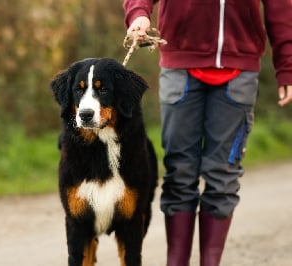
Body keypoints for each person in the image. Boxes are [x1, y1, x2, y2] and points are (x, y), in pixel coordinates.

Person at [123, 1, 292, 265]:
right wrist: (139, 13)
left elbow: (281, 7)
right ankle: (175, 261)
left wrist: (287, 66)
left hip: (240, 67)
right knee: (179, 172)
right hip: (180, 65)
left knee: (223, 175)